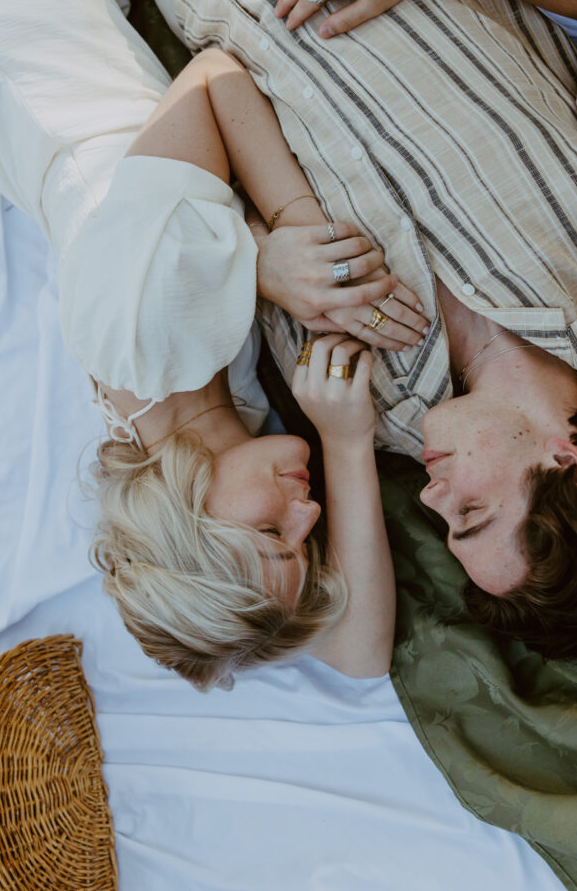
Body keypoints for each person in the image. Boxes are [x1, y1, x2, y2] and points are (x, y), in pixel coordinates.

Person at [133, 0, 577, 661]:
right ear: (570, 463)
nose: (430, 495)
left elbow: (192, 175)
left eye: (441, 524)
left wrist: (256, 259)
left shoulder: (359, 401)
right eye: (471, 514)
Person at [91, 48, 398, 690]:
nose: (311, 516)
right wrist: (345, 444)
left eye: (271, 530)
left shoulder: (149, 328)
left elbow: (212, 76)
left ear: (189, 512)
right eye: (304, 543)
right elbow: (363, 654)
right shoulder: (207, 425)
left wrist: (282, 248)